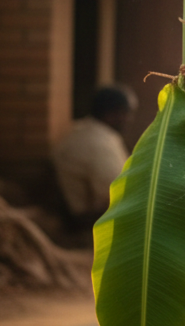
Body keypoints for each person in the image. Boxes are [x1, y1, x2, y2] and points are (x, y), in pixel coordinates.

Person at [53, 85, 136, 227]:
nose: (129, 119)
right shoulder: (100, 142)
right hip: (85, 223)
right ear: (112, 114)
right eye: (126, 113)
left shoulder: (81, 130)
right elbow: (120, 194)